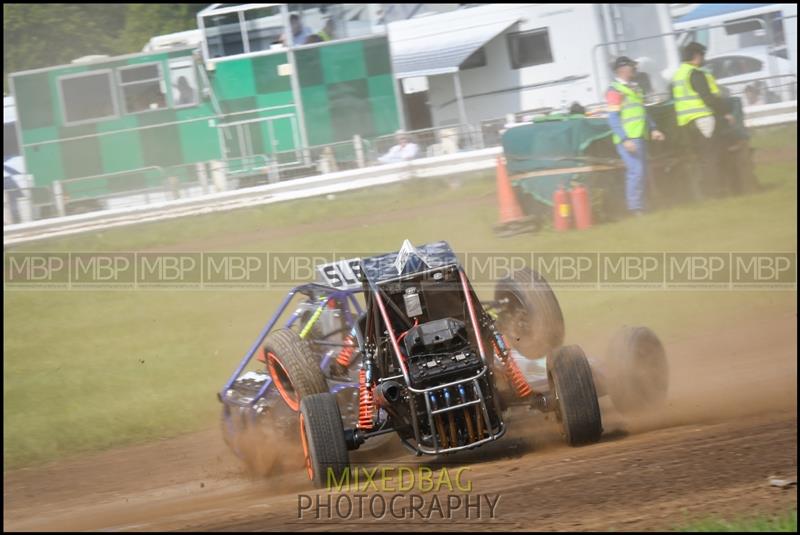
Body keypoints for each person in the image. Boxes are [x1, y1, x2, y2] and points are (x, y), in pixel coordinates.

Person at [671, 42, 735, 199]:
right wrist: (725, 112)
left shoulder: (679, 74)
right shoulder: (695, 74)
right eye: (702, 55)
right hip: (703, 120)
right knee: (711, 157)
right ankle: (715, 192)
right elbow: (708, 98)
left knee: (701, 157)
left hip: (687, 123)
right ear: (697, 56)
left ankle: (706, 191)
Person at [606, 56, 665, 216]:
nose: (634, 69)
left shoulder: (635, 88)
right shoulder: (614, 90)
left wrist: (653, 129)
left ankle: (641, 205)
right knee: (636, 172)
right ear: (623, 69)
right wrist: (625, 139)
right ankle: (636, 208)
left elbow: (642, 111)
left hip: (639, 135)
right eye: (631, 67)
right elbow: (613, 118)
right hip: (628, 139)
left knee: (641, 172)